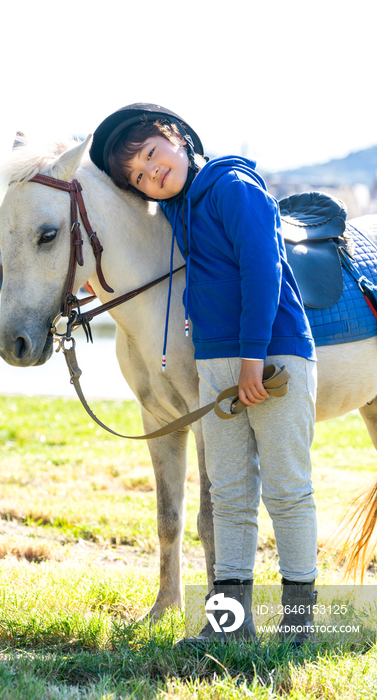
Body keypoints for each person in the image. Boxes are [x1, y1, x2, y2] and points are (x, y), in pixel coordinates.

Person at [90, 104, 318, 647]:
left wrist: (251, 359)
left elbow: (262, 271)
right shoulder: (180, 209)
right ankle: (227, 626)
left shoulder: (234, 185)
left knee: (286, 489)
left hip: (271, 354)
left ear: (176, 138)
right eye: (139, 177)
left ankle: (299, 626)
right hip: (216, 363)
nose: (152, 174)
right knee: (230, 493)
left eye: (151, 154)